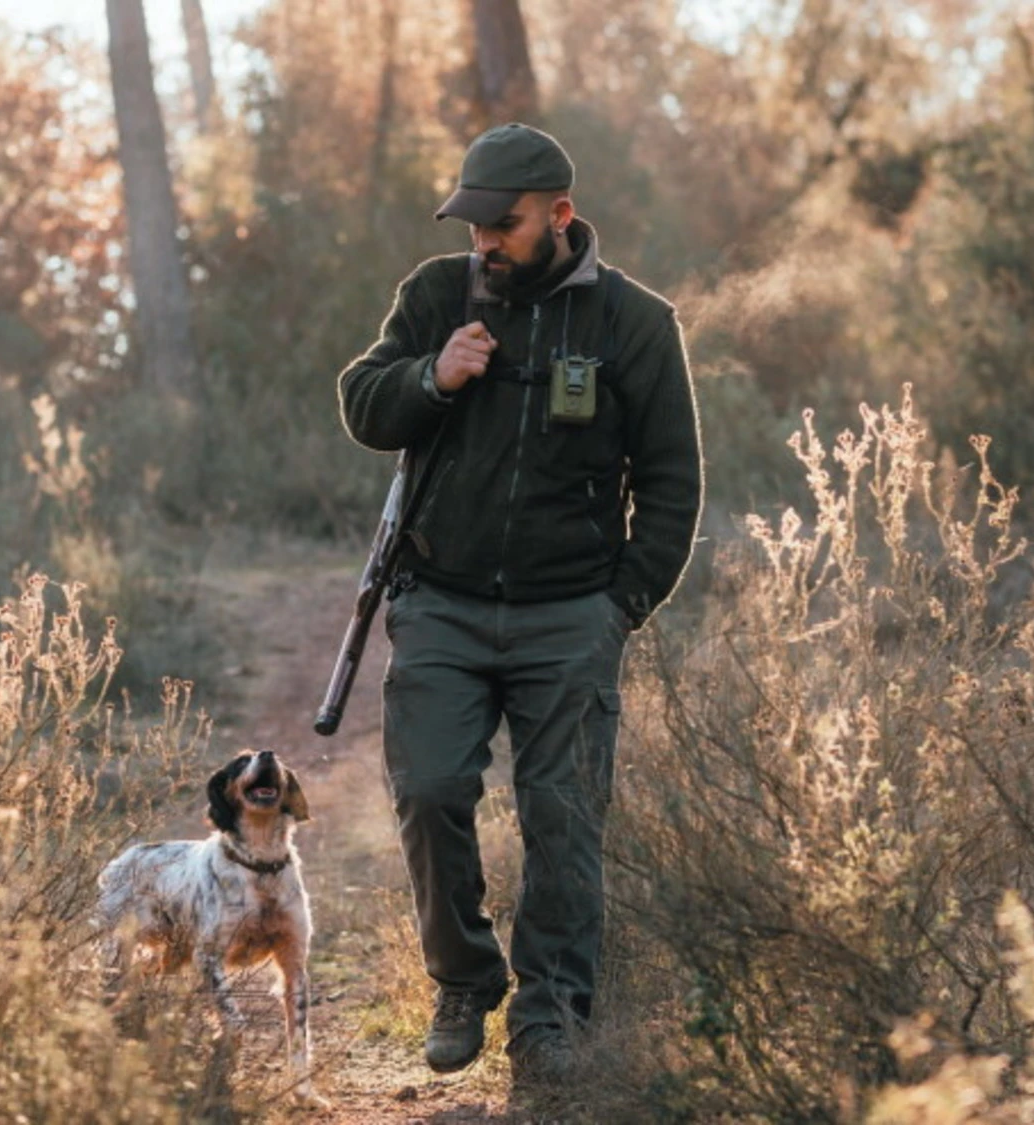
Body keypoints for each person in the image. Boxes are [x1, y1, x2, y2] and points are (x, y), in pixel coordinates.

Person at [336, 122, 703, 1093]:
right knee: (427, 789)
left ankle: (549, 1018)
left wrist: (617, 606)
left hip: (569, 616)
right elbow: (363, 403)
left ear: (560, 215)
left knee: (563, 819)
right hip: (441, 604)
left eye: (502, 224)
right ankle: (463, 980)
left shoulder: (633, 323)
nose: (484, 242)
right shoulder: (433, 295)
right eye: (472, 224)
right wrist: (430, 376)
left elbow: (670, 484)